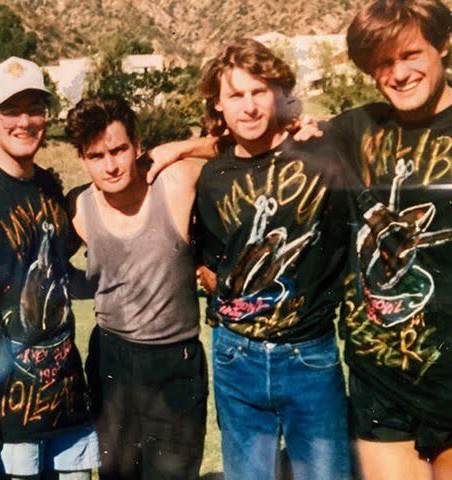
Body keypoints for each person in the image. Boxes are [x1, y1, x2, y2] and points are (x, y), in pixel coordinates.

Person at [161, 38, 351, 480]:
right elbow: (209, 265)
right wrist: (183, 148)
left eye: (258, 91)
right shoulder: (213, 179)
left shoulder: (322, 150)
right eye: (236, 95)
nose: (248, 107)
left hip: (309, 355)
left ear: (279, 94)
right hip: (235, 358)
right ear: (219, 105)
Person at [0, 57, 99, 480]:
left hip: (69, 406)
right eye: (12, 111)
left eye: (35, 109)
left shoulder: (48, 185)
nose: (25, 121)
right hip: (8, 414)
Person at [329, 1, 452, 478]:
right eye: (383, 61)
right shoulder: (354, 130)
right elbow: (255, 136)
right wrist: (181, 147)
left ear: (443, 45)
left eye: (411, 55)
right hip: (380, 382)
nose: (398, 73)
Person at [65, 95, 207, 479]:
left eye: (119, 150)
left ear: (138, 145)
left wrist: (182, 147)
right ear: (82, 159)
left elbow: (236, 144)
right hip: (112, 360)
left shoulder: (174, 183)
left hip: (174, 361)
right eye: (97, 156)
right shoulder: (78, 208)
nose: (110, 166)